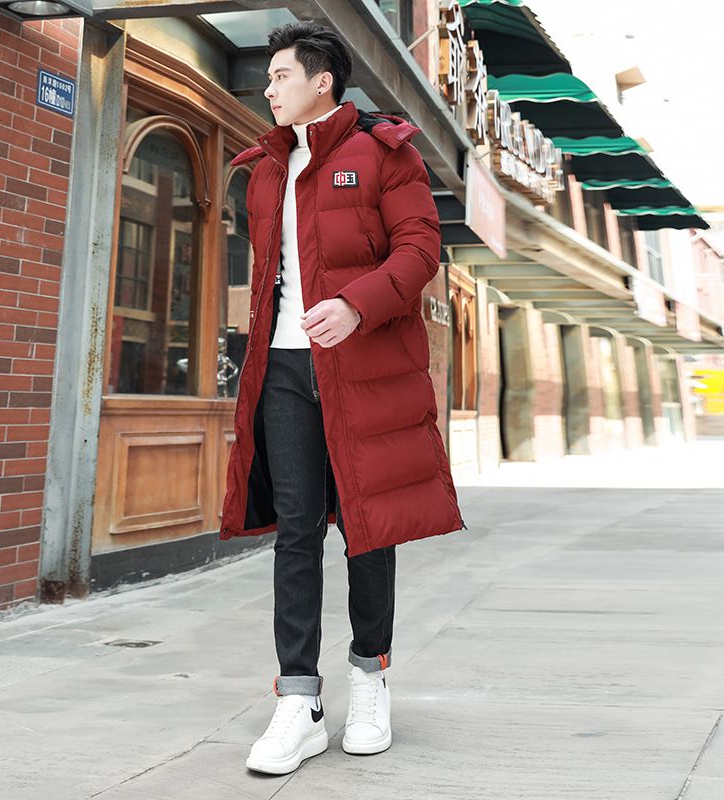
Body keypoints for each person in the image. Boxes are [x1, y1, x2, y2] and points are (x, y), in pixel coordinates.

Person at [220, 20, 465, 775]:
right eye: (268, 78)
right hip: (284, 370)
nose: (268, 88)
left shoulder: (386, 153)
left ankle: (369, 679)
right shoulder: (265, 169)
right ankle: (299, 701)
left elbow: (421, 250)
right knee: (297, 531)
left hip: (363, 368)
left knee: (367, 524)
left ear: (321, 81)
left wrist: (357, 306)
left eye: (280, 76)